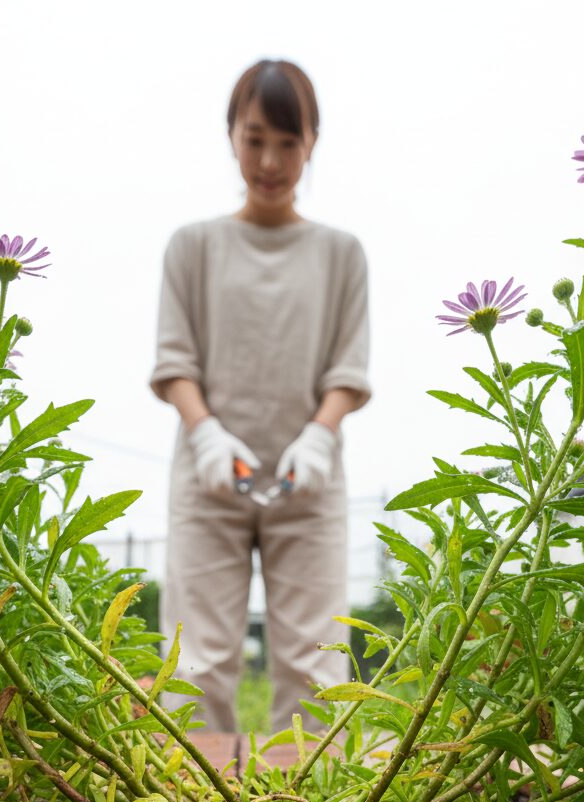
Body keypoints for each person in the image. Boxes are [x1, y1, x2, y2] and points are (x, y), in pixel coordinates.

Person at [149, 58, 372, 734]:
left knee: (315, 667)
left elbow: (349, 370)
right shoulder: (194, 246)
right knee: (194, 665)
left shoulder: (341, 254)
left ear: (312, 144)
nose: (270, 160)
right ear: (231, 136)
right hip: (208, 478)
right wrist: (207, 432)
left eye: (287, 142)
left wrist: (319, 434)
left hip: (309, 484)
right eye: (254, 140)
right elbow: (175, 361)